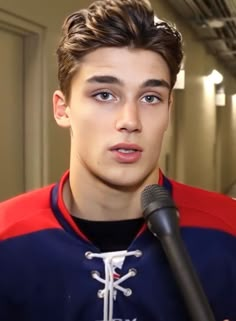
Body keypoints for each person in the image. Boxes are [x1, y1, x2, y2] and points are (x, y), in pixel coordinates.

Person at [0, 0, 235, 320]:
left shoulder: (229, 228)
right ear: (62, 108)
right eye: (104, 94)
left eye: (150, 97)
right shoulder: (6, 236)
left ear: (169, 109)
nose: (130, 120)